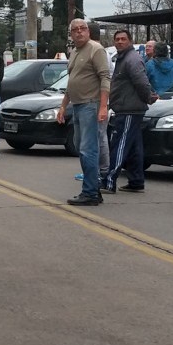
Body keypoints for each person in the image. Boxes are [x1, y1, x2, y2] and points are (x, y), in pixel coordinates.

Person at [57, 19, 110, 206]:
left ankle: (90, 193)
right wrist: (63, 106)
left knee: (88, 149)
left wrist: (103, 106)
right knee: (81, 147)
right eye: (75, 30)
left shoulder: (96, 49)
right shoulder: (74, 52)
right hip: (78, 105)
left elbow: (105, 77)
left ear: (88, 31)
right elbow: (72, 81)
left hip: (91, 104)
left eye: (82, 29)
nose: (79, 32)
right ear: (71, 34)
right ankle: (94, 188)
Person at [103, 30, 157, 194]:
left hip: (129, 109)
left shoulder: (132, 59)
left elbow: (141, 82)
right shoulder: (123, 58)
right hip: (128, 108)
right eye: (117, 39)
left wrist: (148, 97)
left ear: (130, 41)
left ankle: (109, 181)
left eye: (123, 39)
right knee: (134, 147)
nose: (120, 42)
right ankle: (136, 180)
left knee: (119, 145)